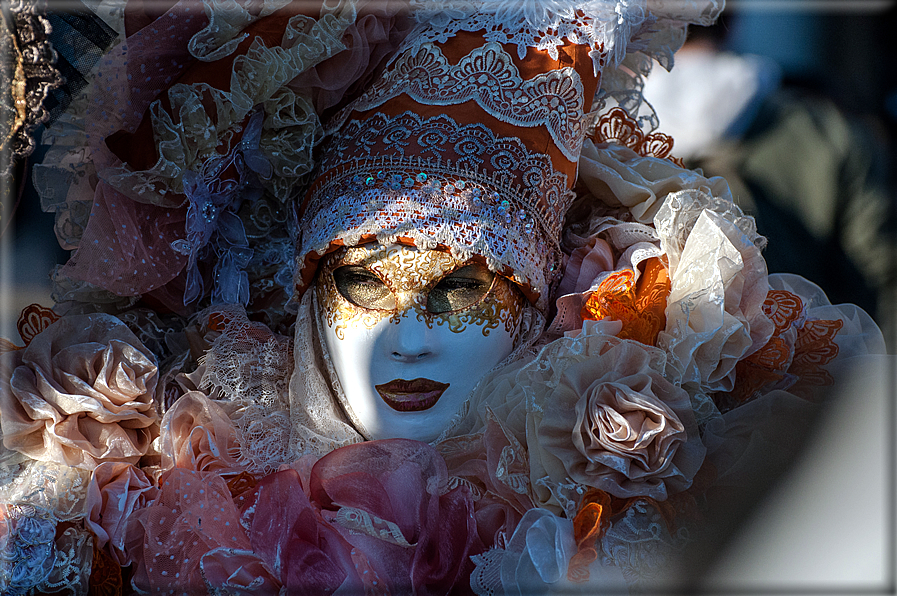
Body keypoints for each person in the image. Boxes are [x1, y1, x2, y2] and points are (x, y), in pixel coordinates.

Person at [0, 0, 887, 594]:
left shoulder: (611, 515)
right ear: (307, 297)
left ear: (538, 303)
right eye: (362, 283)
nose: (408, 340)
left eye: (463, 290)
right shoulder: (164, 499)